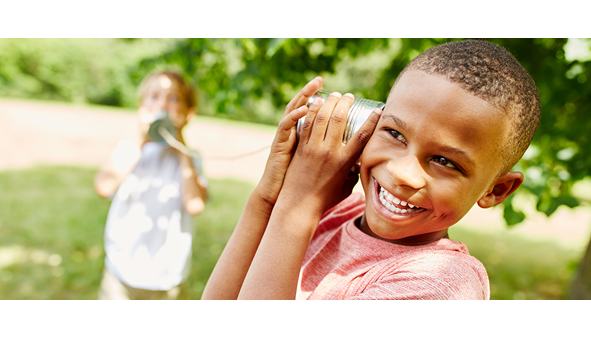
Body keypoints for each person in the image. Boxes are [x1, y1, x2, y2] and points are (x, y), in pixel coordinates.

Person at [202, 40, 541, 300]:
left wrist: (298, 204)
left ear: (495, 190)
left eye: (446, 162)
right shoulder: (332, 212)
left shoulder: (441, 283)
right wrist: (267, 198)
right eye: (394, 133)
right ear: (368, 128)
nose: (404, 174)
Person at [95, 70, 208, 300]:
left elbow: (195, 204)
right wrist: (142, 139)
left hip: (168, 277)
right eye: (154, 96)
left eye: (174, 98)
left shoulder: (189, 158)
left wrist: (180, 145)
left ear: (188, 114)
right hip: (121, 271)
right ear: (140, 108)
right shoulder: (130, 150)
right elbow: (104, 187)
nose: (163, 104)